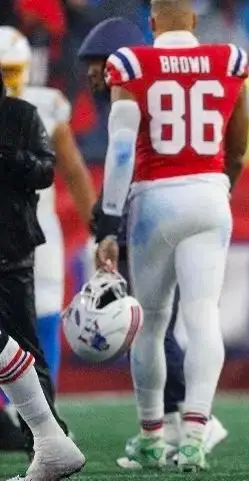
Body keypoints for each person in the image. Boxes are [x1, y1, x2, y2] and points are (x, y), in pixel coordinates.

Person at [94, 0, 249, 471]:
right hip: (208, 191)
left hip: (154, 199)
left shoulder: (131, 62)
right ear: (195, 22)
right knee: (203, 316)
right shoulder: (229, 59)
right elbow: (237, 144)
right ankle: (195, 438)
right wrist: (220, 188)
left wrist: (108, 221)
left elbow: (121, 147)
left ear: (152, 21)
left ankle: (151, 438)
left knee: (153, 323)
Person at [0, 26, 97, 391]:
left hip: (38, 232)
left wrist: (97, 232)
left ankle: (42, 409)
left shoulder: (46, 106)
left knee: (42, 318)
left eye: (12, 71)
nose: (8, 81)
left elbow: (73, 171)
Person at [0, 68, 85, 480]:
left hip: (13, 243)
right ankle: (47, 436)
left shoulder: (25, 113)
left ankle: (48, 434)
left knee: (25, 337)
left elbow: (48, 171)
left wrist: (6, 154)